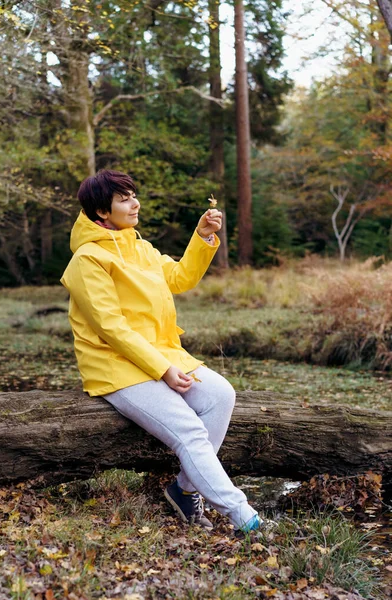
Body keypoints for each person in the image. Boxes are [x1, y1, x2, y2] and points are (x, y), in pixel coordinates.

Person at [60, 169, 263, 533]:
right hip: (115, 367)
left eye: (133, 194)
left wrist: (202, 237)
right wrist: (162, 369)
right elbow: (111, 327)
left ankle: (183, 491)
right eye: (124, 198)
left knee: (221, 394)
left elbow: (180, 277)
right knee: (189, 431)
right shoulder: (87, 260)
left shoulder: (140, 248)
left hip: (162, 353)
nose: (134, 203)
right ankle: (241, 513)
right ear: (101, 212)